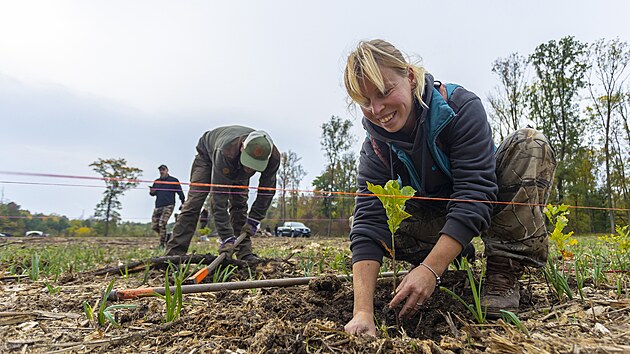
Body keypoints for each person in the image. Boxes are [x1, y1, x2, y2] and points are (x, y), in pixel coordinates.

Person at [342, 39, 557, 335]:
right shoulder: (376, 148)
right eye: (365, 102)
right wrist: (363, 312)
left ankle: (502, 272)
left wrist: (430, 270)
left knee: (530, 144)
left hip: (488, 207)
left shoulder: (458, 108)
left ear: (411, 77)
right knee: (363, 221)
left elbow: (476, 194)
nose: (377, 109)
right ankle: (454, 254)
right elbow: (369, 223)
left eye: (385, 92)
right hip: (435, 219)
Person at [164, 126, 280, 262]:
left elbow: (267, 192)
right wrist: (227, 237)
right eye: (249, 163)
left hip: (235, 161)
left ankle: (244, 253)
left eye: (255, 165)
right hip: (207, 156)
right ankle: (172, 256)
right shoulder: (226, 151)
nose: (249, 169)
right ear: (242, 147)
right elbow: (218, 199)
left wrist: (254, 219)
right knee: (194, 203)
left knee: (239, 205)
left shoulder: (273, 158)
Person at [149, 165, 185, 249]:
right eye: (160, 170)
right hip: (158, 206)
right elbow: (153, 194)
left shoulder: (173, 181)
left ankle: (162, 244)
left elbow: (180, 192)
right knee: (154, 226)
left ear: (167, 170)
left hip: (169, 205)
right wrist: (152, 192)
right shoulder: (157, 182)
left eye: (163, 170)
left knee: (162, 224)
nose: (162, 171)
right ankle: (166, 236)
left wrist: (183, 202)